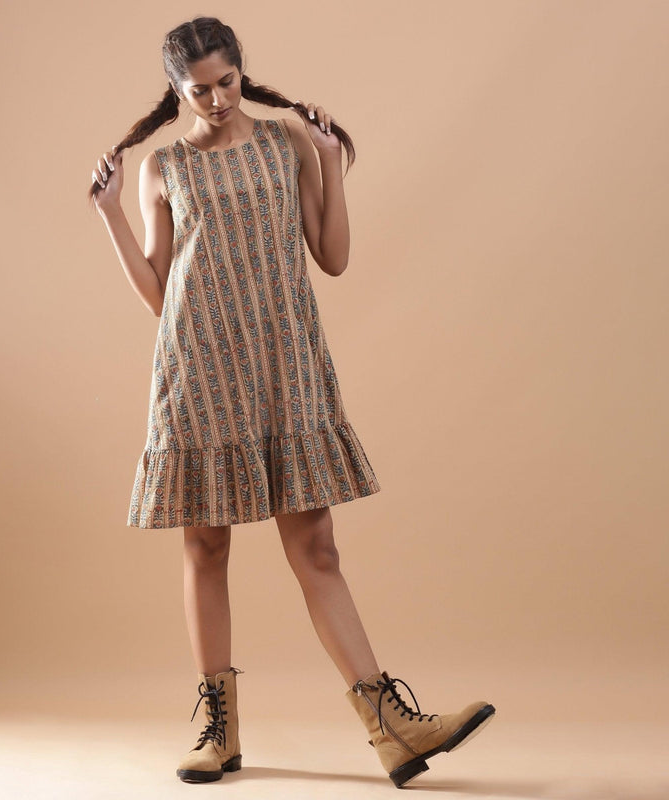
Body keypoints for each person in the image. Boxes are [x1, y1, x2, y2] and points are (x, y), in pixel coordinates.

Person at [89, 16, 495, 789]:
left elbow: (333, 258)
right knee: (206, 547)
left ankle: (390, 726)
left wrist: (334, 165)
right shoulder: (163, 167)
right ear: (177, 92)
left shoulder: (288, 145)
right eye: (197, 89)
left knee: (318, 550)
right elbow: (157, 295)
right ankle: (219, 731)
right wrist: (109, 216)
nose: (214, 98)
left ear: (243, 72)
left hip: (285, 364)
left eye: (225, 81)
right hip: (199, 370)